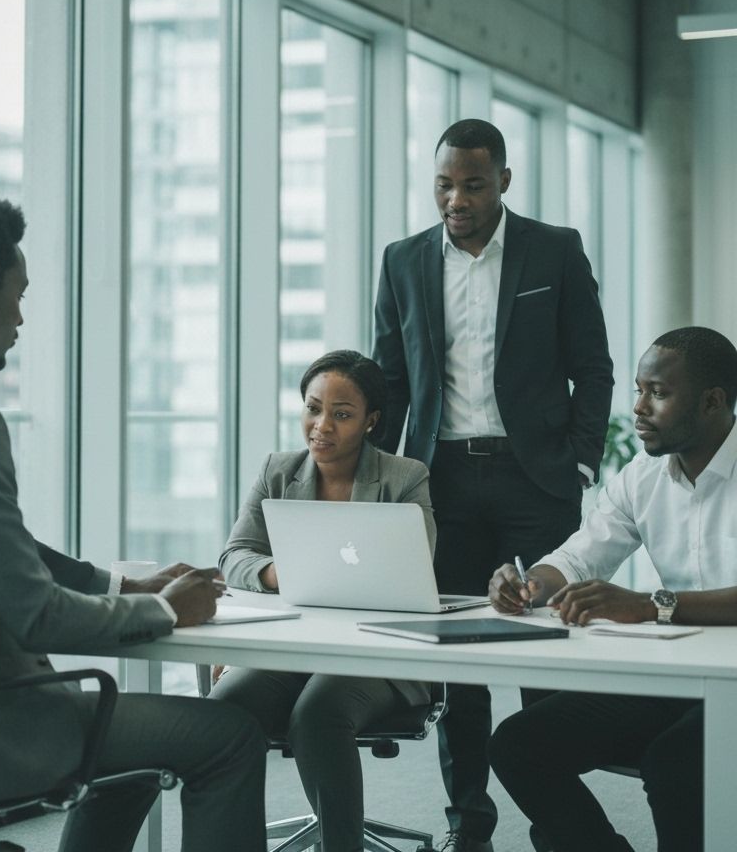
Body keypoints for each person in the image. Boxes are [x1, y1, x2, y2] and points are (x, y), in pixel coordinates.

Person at [0, 185, 266, 852]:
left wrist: (121, 587)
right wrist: (168, 612)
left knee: (129, 733)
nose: (21, 318)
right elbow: (33, 615)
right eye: (17, 293)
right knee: (228, 736)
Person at [371, 117, 614, 852]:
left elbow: (593, 366)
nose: (456, 198)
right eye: (444, 184)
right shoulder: (404, 259)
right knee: (459, 657)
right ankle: (467, 821)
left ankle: (557, 823)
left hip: (533, 477)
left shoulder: (554, 250)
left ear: (503, 181)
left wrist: (577, 460)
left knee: (542, 648)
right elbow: (389, 379)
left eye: (473, 184)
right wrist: (378, 484)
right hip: (441, 477)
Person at [487, 326, 737, 852]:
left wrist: (649, 606)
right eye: (639, 391)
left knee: (675, 764)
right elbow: (581, 555)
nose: (641, 408)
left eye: (659, 393)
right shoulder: (641, 477)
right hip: (681, 678)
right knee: (519, 744)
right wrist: (529, 584)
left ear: (713, 401)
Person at [209, 349, 436, 852]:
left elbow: (415, 568)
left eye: (341, 413)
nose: (321, 426)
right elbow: (234, 555)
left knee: (317, 714)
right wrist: (273, 572)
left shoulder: (404, 478)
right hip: (294, 649)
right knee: (223, 706)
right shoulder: (277, 471)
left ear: (370, 421)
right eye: (313, 408)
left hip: (377, 656)